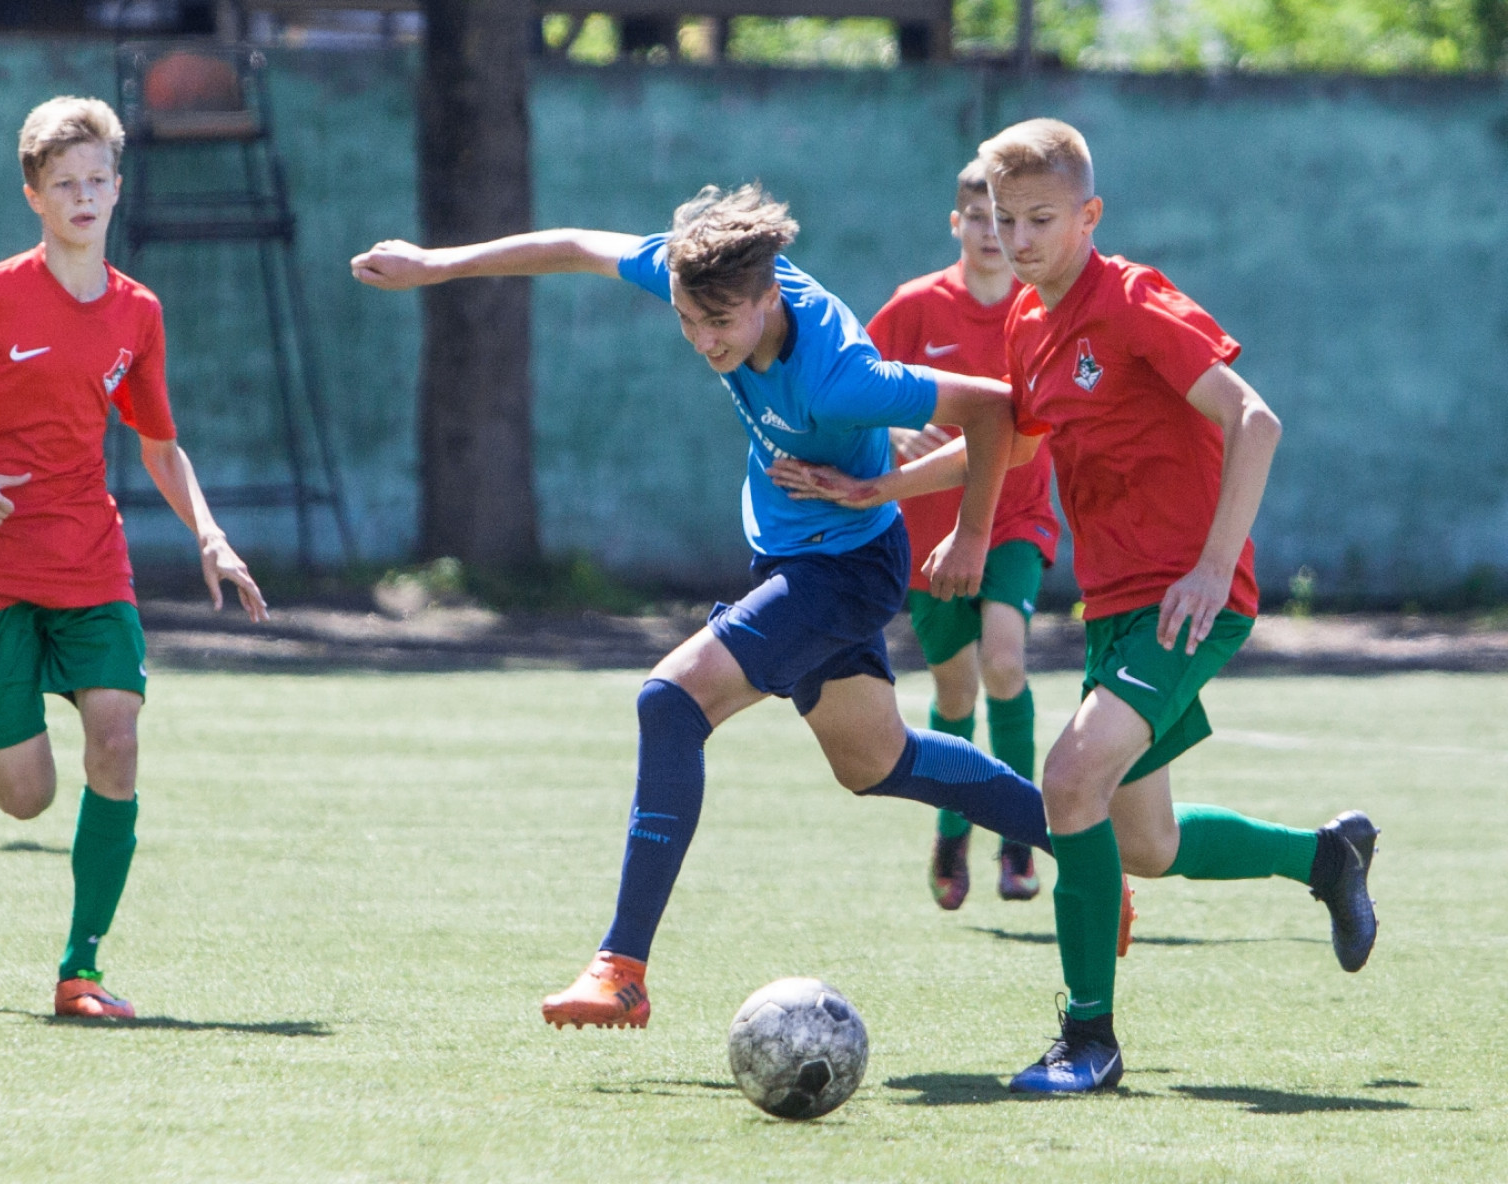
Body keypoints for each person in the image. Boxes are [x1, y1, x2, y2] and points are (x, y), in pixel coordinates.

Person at [352, 183, 1063, 1032]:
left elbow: (998, 413)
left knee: (671, 700)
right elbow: (579, 242)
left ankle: (621, 969)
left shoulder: (840, 379)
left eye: (720, 324)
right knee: (876, 762)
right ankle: (1084, 849)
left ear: (769, 297)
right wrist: (436, 266)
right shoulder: (705, 274)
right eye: (689, 321)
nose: (703, 340)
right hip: (796, 556)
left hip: (845, 566)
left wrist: (968, 534)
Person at [770, 119, 1377, 1094]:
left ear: (1089, 215)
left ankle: (1088, 1038)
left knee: (1068, 777)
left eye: (1042, 219)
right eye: (1004, 220)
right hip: (1116, 606)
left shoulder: (1133, 299)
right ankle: (1326, 856)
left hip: (1187, 594)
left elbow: (1253, 419)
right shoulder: (1025, 320)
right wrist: (882, 492)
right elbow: (1008, 446)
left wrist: (1215, 566)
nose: (1018, 239)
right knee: (1147, 841)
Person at [0, 96, 269, 1020]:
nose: (84, 197)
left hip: (91, 559)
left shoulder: (137, 313)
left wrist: (208, 531)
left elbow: (161, 444)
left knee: (117, 745)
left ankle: (79, 969)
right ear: (34, 197)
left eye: (98, 180)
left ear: (118, 188)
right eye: (65, 185)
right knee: (26, 798)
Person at [867, 159, 1060, 909]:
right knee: (956, 687)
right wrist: (890, 427)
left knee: (1005, 665)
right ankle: (954, 833)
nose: (992, 233)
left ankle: (1020, 838)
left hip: (1014, 518)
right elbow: (854, 384)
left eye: (1005, 218)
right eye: (978, 217)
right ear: (957, 225)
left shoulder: (1039, 309)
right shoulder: (917, 307)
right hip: (926, 532)